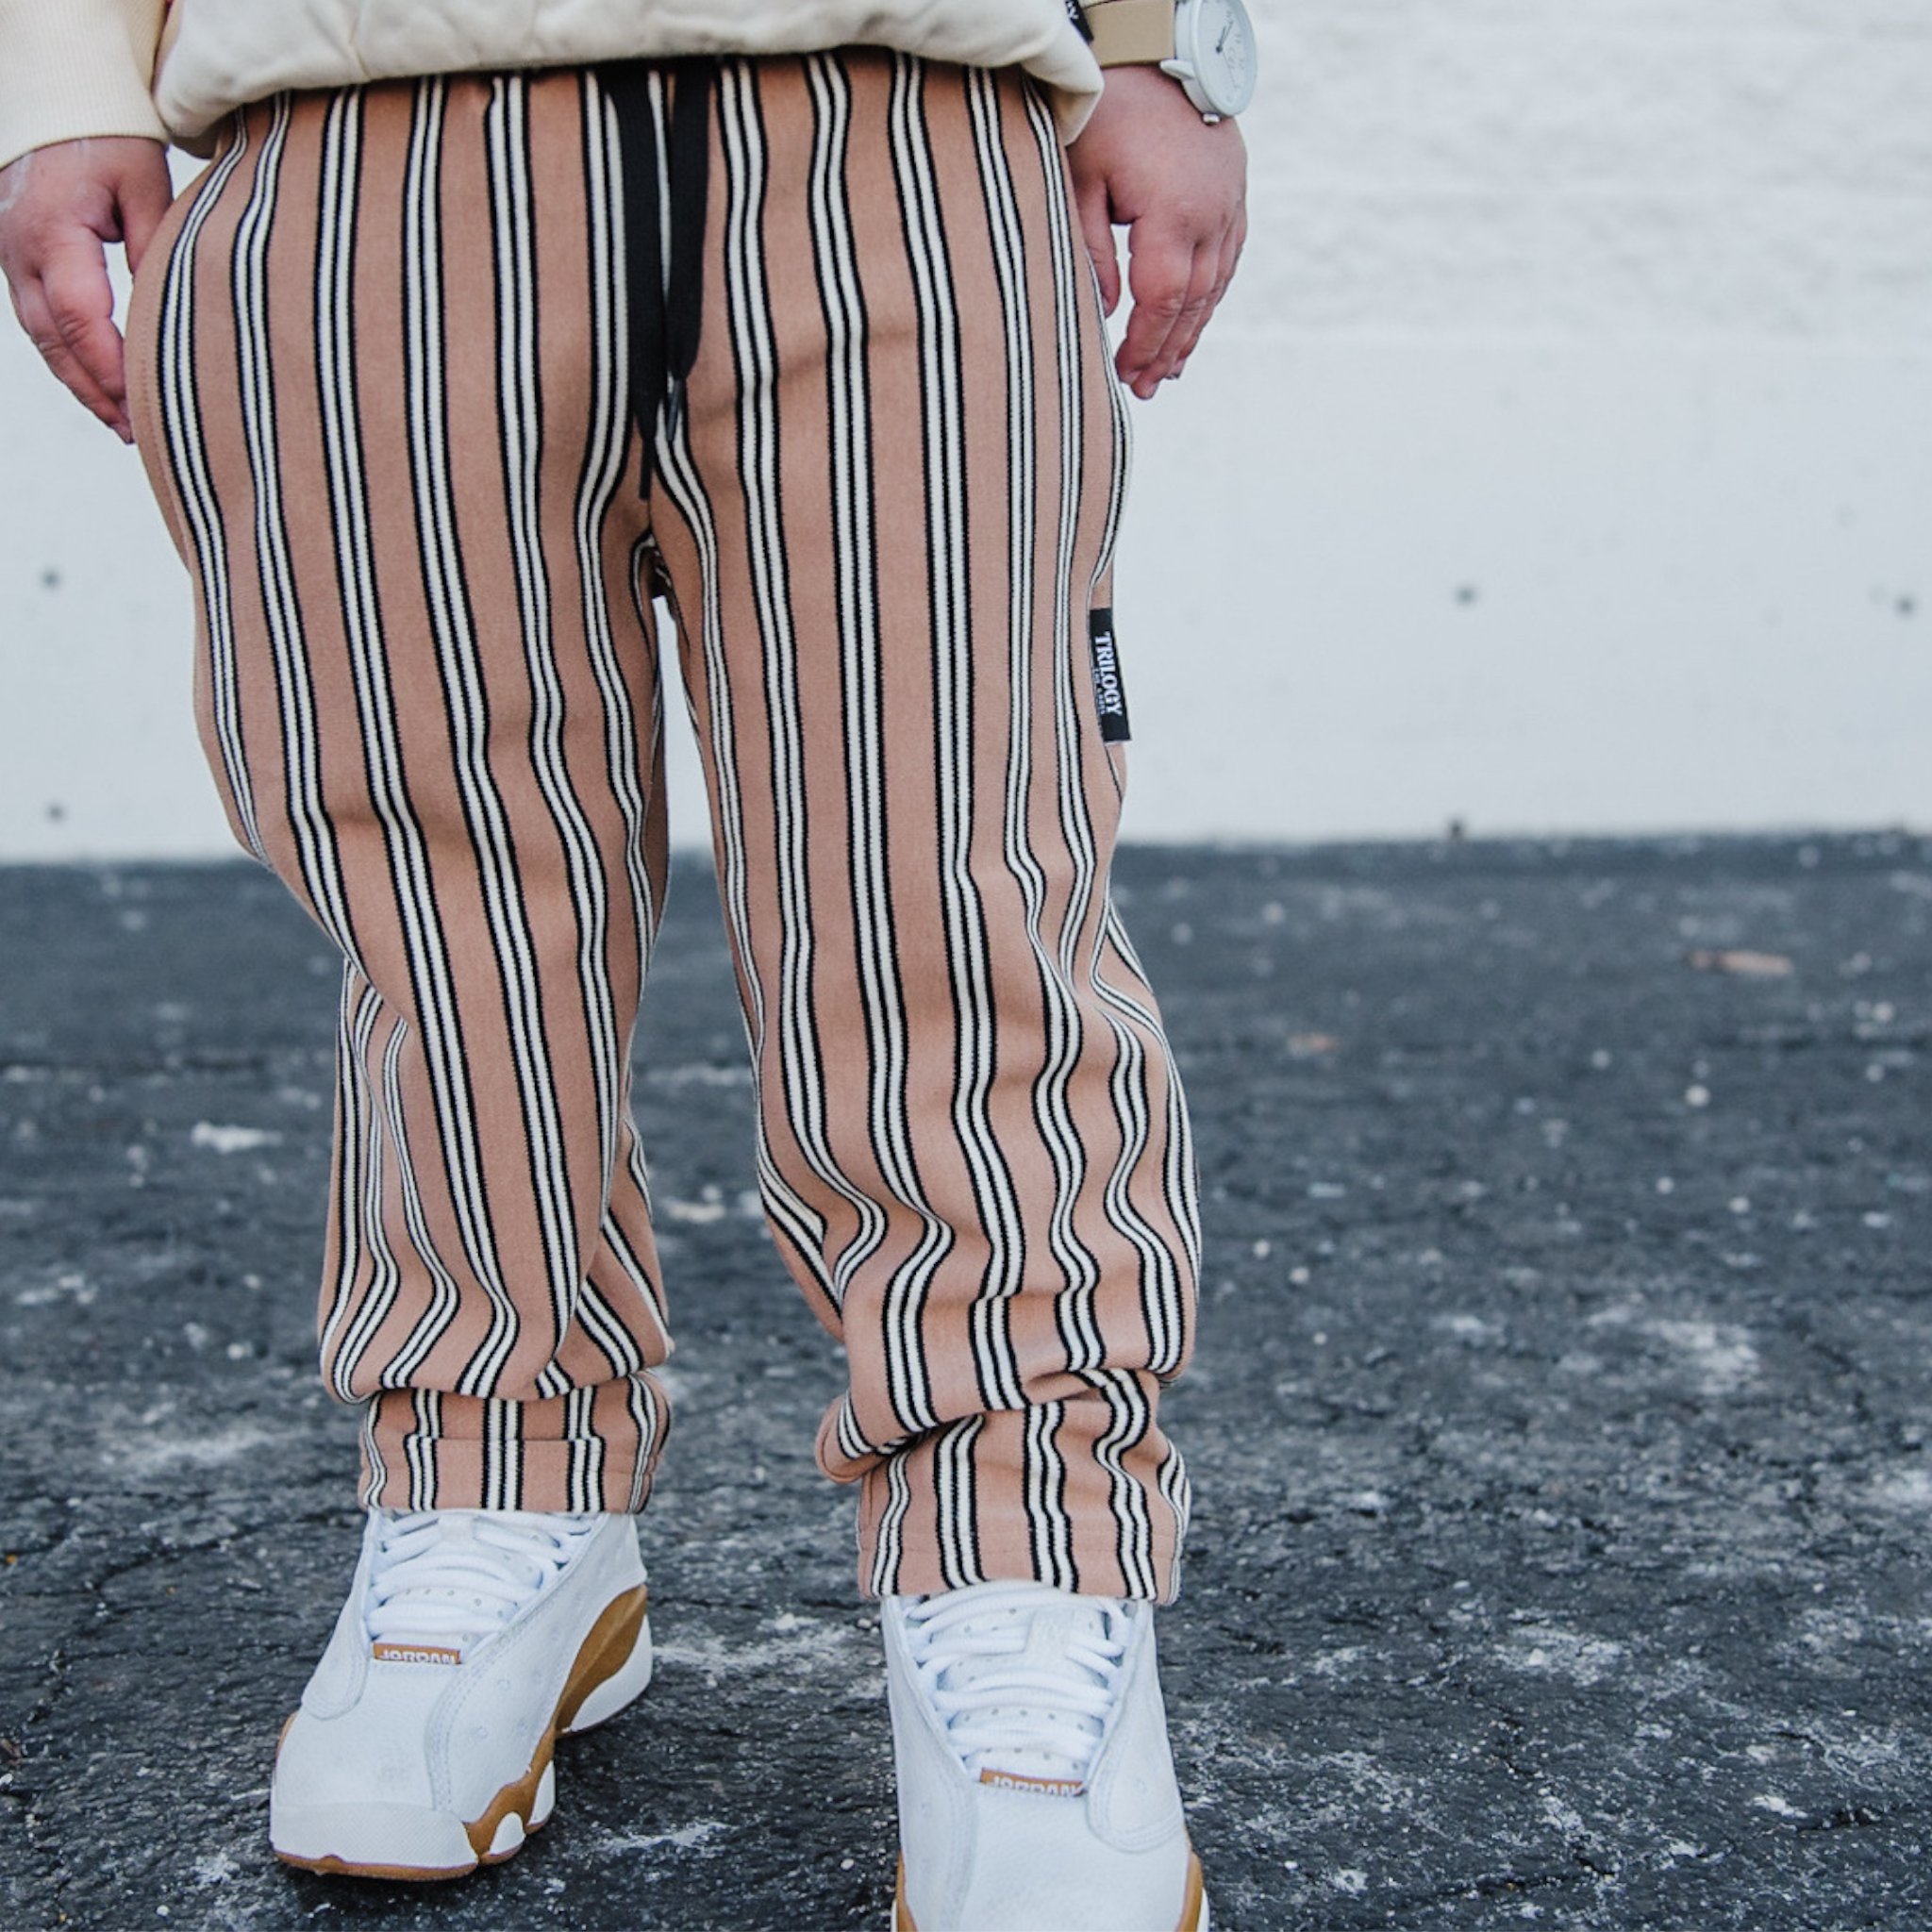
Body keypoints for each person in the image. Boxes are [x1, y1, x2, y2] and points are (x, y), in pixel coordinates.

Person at [0, 1, 1250, 1924]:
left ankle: (1025, 1543)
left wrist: (1164, 42)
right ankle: (500, 1476)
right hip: (353, 132)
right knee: (444, 893)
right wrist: (60, 82)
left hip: (898, 122)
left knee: (957, 878)